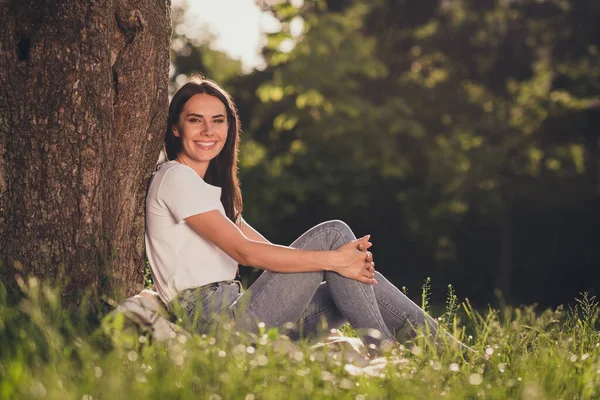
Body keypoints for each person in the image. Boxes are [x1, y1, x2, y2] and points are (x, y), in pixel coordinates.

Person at [145, 77, 465, 353]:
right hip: (214, 319)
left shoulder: (207, 191)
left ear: (229, 127)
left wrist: (339, 266)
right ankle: (384, 352)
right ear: (175, 127)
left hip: (241, 311)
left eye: (217, 120)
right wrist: (333, 259)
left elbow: (274, 254)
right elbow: (245, 252)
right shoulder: (176, 177)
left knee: (354, 275)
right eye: (195, 120)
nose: (207, 130)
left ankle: (453, 353)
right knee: (332, 236)